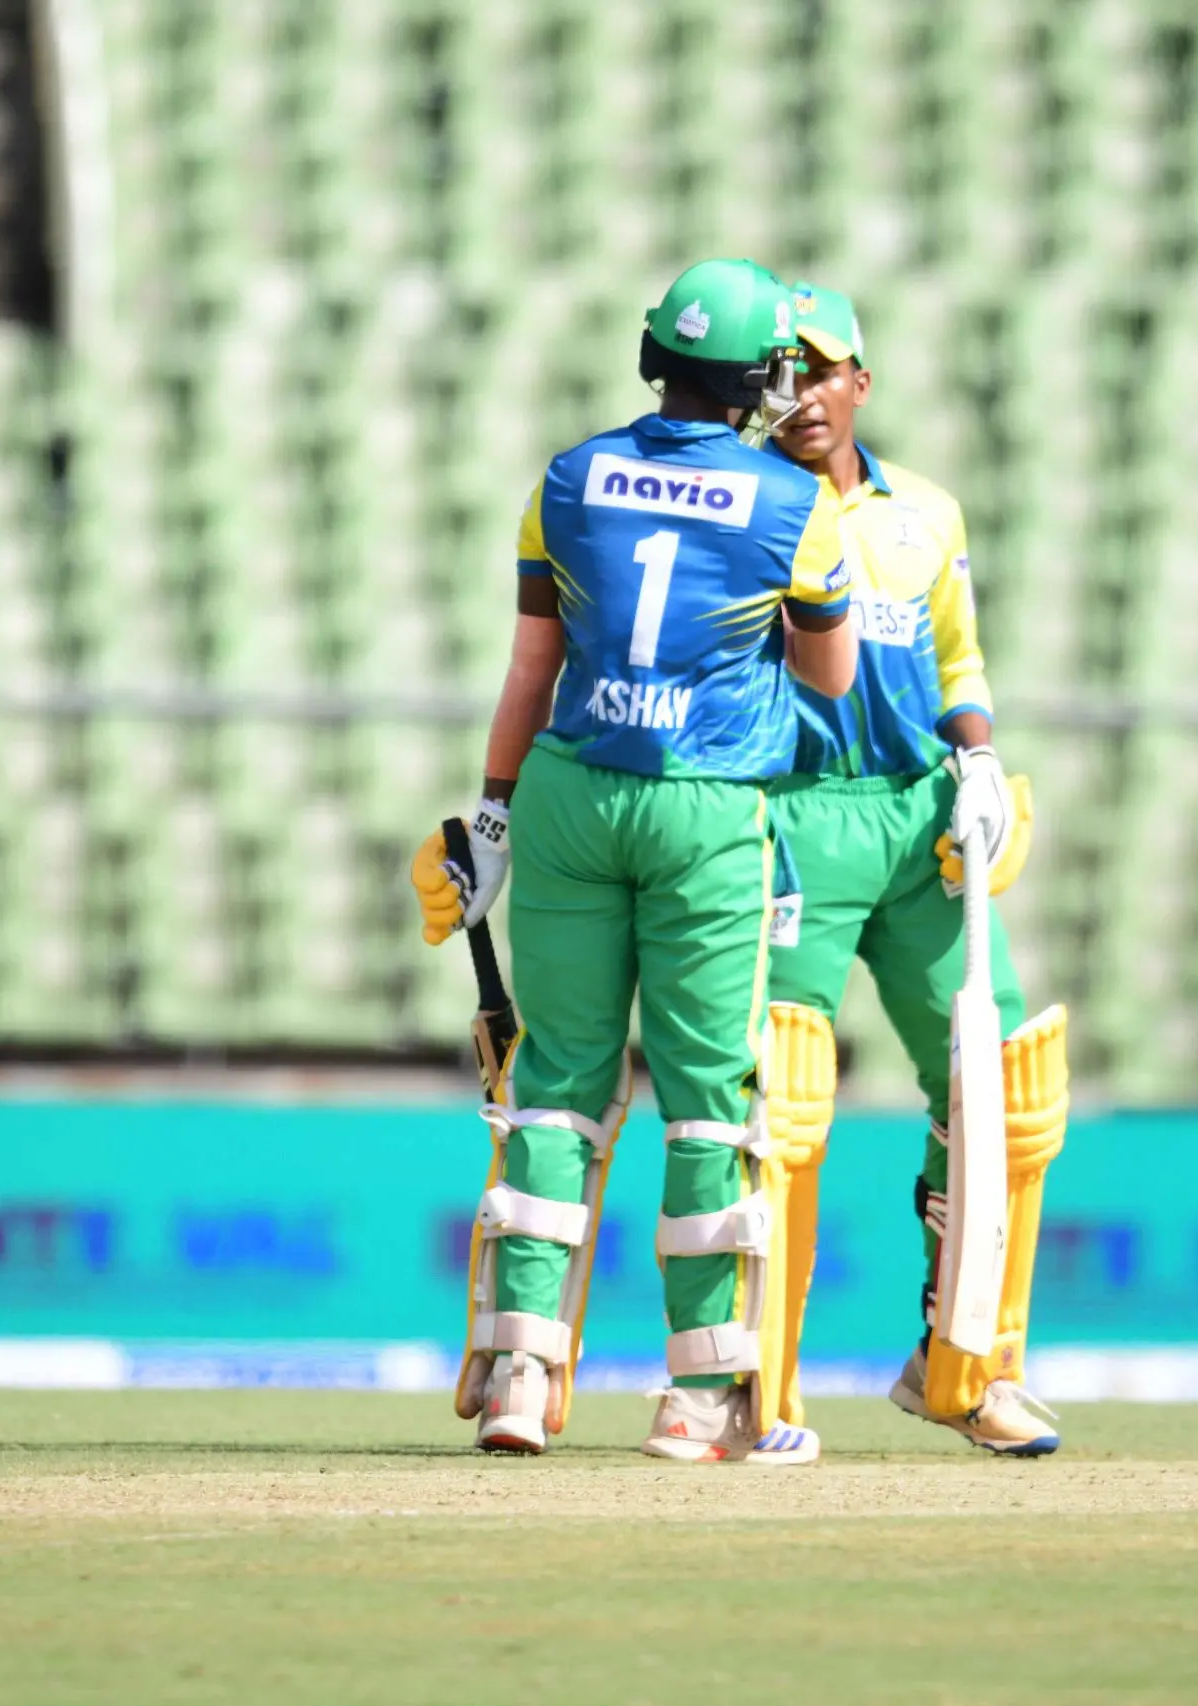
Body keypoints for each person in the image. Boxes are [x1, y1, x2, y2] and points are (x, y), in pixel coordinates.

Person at [411, 258, 856, 1464]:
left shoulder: (566, 478)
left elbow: (529, 668)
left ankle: (518, 1372)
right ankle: (696, 1396)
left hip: (568, 794)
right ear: (757, 379)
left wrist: (491, 816)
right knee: (709, 1098)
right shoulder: (794, 503)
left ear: (656, 356)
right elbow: (831, 677)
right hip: (704, 808)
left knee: (556, 1082)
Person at [753, 282, 1069, 1456]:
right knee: (779, 1097)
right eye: (779, 372)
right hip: (791, 814)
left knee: (1004, 1086)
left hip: (920, 816)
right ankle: (756, 1388)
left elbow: (957, 660)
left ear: (860, 382)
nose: (800, 394)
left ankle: (966, 1366)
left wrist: (977, 762)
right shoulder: (739, 505)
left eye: (820, 370)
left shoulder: (926, 511)